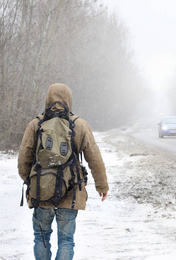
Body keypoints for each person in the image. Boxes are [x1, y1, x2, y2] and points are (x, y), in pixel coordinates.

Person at [18, 83, 109, 260]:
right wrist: (102, 185)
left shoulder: (36, 124)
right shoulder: (80, 125)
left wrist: (31, 181)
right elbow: (94, 158)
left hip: (41, 191)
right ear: (69, 100)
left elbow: (23, 159)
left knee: (41, 237)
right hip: (71, 191)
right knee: (66, 240)